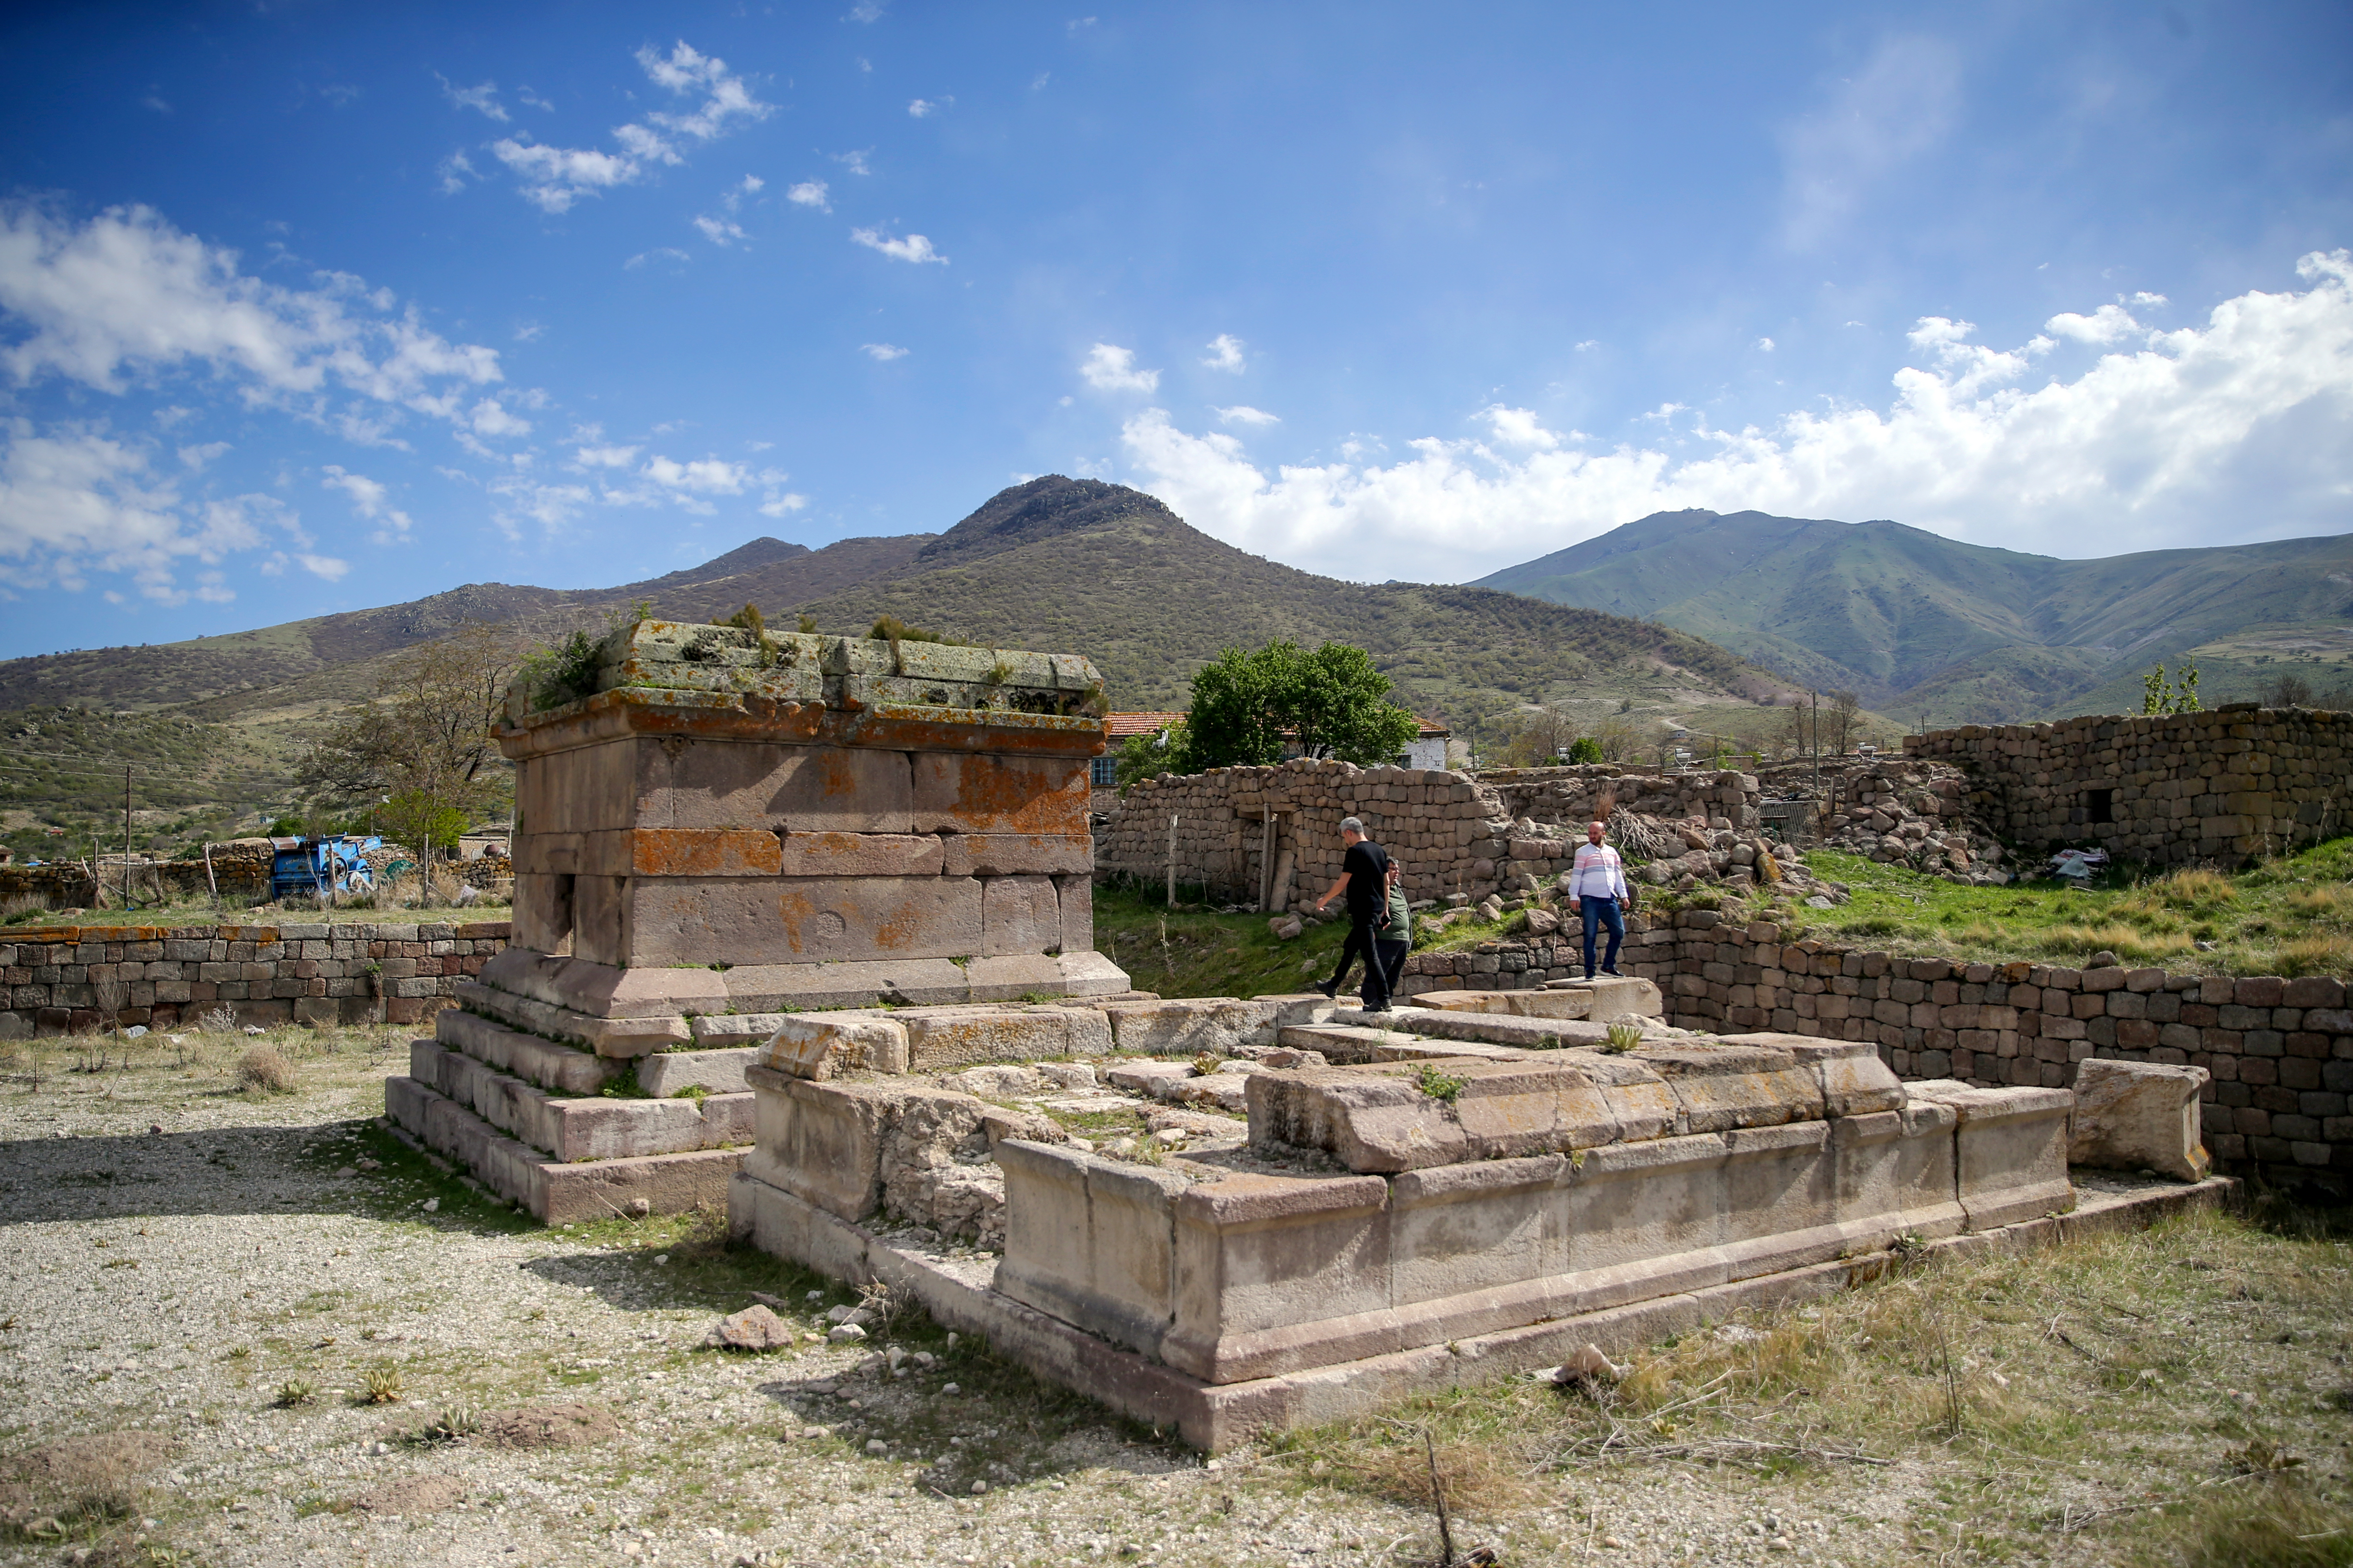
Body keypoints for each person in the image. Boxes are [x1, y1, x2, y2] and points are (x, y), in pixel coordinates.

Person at [1310, 816, 1393, 1010]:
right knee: (1350, 946)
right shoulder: (1379, 850)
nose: (1345, 841)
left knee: (1370, 954)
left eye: (1344, 836)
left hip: (1363, 908)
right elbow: (1386, 882)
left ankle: (1384, 998)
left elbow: (1343, 881)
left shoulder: (1355, 851)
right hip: (1376, 907)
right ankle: (1333, 985)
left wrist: (1325, 899)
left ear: (1349, 832)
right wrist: (1385, 909)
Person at [1566, 818, 1629, 980]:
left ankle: (1608, 966)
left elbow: (1618, 875)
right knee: (1590, 935)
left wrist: (1624, 895)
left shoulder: (1612, 852)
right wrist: (1574, 895)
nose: (1592, 836)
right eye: (1590, 833)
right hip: (1590, 899)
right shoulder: (1583, 852)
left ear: (1603, 834)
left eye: (1595, 833)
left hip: (1609, 898)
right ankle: (1590, 971)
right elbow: (1577, 875)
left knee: (1619, 932)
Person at [1373, 862, 1413, 1002]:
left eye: (1398, 869)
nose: (1397, 872)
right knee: (1377, 977)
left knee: (1393, 977)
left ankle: (1385, 1004)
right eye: (1392, 869)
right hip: (1385, 940)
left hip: (1402, 940)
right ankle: (1369, 1004)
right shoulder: (1377, 889)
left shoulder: (1397, 889)